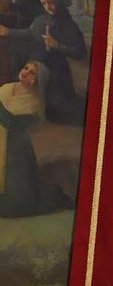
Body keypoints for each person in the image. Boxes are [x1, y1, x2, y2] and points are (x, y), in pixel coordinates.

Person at [0, 0, 87, 125]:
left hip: (56, 72)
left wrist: (57, 45)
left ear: (57, 1)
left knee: (56, 110)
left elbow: (80, 53)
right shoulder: (41, 20)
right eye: (44, 3)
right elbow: (29, 33)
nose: (48, 6)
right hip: (37, 67)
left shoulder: (70, 26)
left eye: (50, 2)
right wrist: (9, 32)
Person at [0, 61, 72, 217]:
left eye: (32, 72)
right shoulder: (6, 89)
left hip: (16, 152)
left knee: (18, 204)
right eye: (26, 68)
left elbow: (11, 122)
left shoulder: (35, 103)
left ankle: (55, 196)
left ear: (38, 82)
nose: (25, 72)